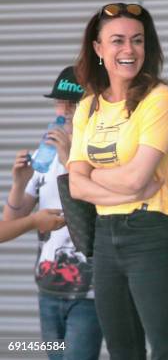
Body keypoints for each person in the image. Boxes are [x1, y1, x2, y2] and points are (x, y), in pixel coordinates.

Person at [68, 3, 168, 360]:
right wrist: (107, 180)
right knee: (122, 351)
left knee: (167, 351)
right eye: (117, 40)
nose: (129, 50)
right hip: (104, 236)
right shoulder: (88, 106)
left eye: (137, 41)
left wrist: (92, 174)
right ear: (98, 49)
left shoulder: (159, 99)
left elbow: (139, 178)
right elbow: (75, 187)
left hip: (151, 233)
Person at [2, 66, 103, 360]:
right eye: (60, 102)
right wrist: (19, 184)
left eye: (74, 103)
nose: (66, 110)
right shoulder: (44, 153)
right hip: (48, 290)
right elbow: (9, 224)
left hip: (89, 294)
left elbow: (101, 217)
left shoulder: (101, 154)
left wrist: (72, 159)